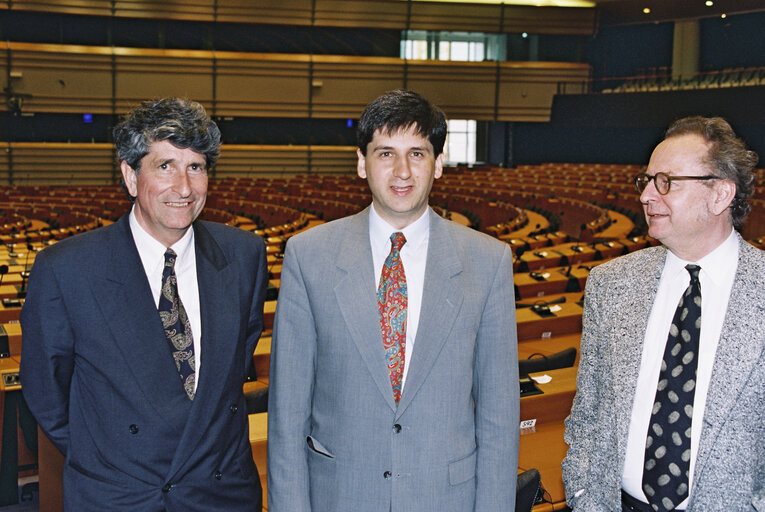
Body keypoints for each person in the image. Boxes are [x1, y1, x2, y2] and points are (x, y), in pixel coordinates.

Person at [267, 89, 519, 512]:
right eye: (386, 153)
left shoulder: (488, 260)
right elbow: (287, 415)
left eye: (417, 154)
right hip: (341, 496)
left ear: (438, 164)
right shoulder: (308, 256)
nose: (402, 171)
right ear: (362, 163)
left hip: (446, 498)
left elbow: (498, 417)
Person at [20, 98, 268, 511]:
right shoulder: (67, 269)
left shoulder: (243, 255)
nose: (184, 187)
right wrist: (112, 457)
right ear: (131, 176)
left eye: (196, 167)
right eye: (165, 165)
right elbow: (48, 393)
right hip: (120, 494)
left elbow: (233, 367)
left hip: (220, 490)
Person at [562, 116, 764, 512]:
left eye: (666, 182)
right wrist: (584, 494)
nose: (646, 196)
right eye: (647, 180)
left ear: (720, 194)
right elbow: (588, 413)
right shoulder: (612, 283)